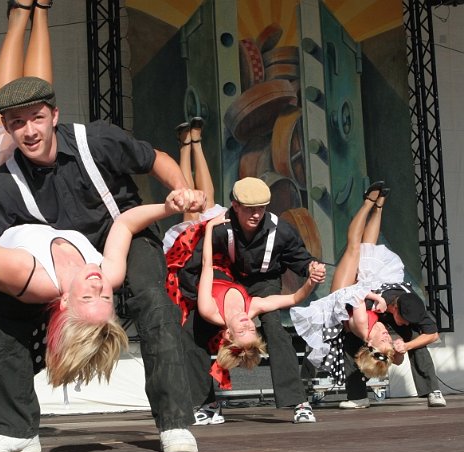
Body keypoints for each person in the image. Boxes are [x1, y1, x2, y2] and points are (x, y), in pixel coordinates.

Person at [0, 0, 207, 452]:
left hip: (119, 237)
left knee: (154, 300)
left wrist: (181, 194)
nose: (29, 130)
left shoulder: (97, 140)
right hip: (60, 257)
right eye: (18, 123)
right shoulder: (6, 180)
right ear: (9, 128)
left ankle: (173, 423)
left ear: (54, 115)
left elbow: (157, 164)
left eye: (37, 118)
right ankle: (15, 429)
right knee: (2, 313)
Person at [0, 181, 192, 388]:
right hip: (32, 204)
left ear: (65, 300)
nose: (98, 287)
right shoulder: (109, 274)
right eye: (107, 298)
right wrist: (167, 208)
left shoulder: (27, 272)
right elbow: (125, 225)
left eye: (87, 298)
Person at [164, 119, 322, 425]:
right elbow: (200, 264)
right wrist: (194, 298)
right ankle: (205, 403)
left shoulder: (281, 231)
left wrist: (310, 270)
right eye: (249, 208)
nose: (255, 214)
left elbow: (298, 260)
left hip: (262, 283)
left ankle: (297, 401)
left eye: (261, 208)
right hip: (228, 282)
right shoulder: (222, 228)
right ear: (235, 206)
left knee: (275, 327)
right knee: (190, 331)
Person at [290, 181, 406, 389]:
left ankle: (368, 202)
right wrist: (398, 350)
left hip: (343, 294)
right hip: (359, 290)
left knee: (354, 247)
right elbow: (397, 358)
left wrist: (378, 298)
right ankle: (379, 206)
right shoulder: (378, 335)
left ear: (370, 345)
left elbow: (357, 296)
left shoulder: (362, 325)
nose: (387, 338)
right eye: (389, 341)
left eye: (384, 341)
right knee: (369, 247)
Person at [340, 284, 446, 409]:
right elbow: (355, 295)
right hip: (372, 313)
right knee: (351, 339)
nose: (406, 323)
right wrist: (376, 300)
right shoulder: (372, 302)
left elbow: (433, 335)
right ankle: (358, 397)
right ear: (395, 308)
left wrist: (407, 346)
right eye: (405, 319)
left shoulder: (414, 305)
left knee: (416, 338)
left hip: (384, 315)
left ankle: (432, 391)